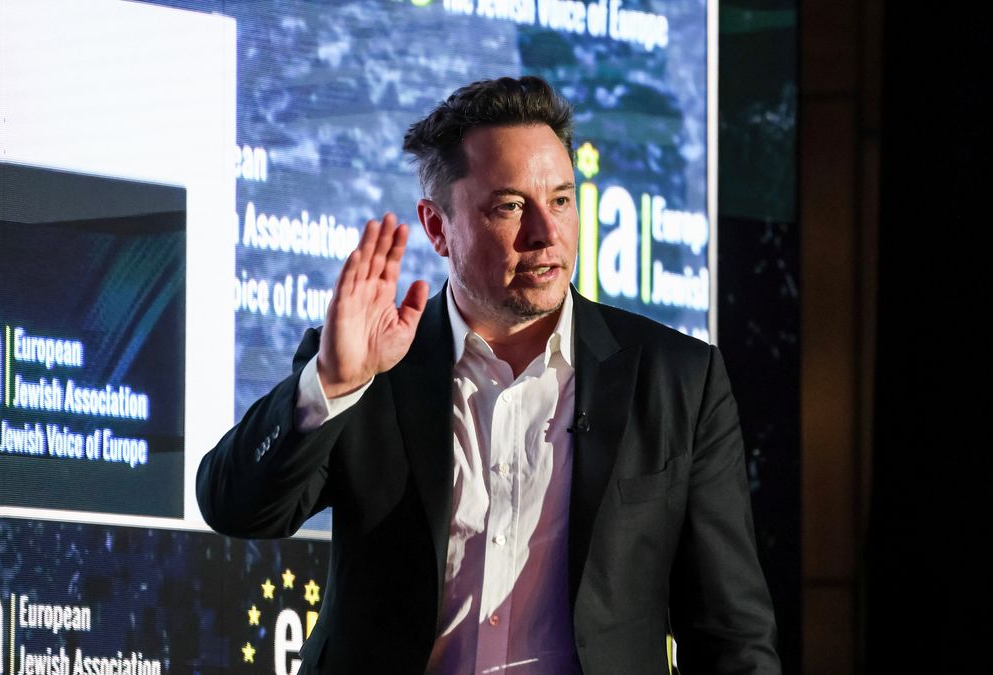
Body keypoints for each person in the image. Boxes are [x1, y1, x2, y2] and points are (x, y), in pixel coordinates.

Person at [197, 76, 780, 674]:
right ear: (437, 227)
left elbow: (730, 634)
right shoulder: (369, 366)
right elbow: (235, 507)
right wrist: (332, 384)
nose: (545, 234)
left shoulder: (677, 379)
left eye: (560, 200)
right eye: (509, 206)